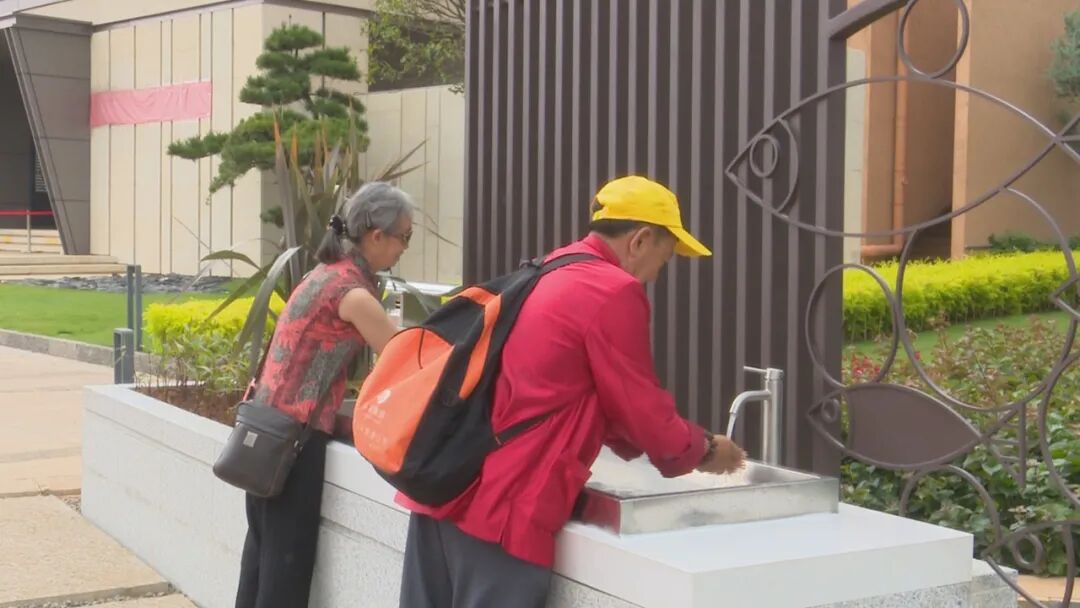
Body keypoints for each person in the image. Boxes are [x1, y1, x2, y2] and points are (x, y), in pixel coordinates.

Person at [397, 175, 747, 608]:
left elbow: (582, 397)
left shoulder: (550, 268)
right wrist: (706, 451)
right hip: (504, 509)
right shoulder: (612, 290)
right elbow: (641, 411)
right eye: (665, 257)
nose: (658, 273)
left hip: (448, 485)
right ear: (640, 240)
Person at [235, 182, 413, 608]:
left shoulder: (322, 274)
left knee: (259, 559)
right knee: (286, 571)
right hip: (295, 443)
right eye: (404, 237)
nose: (404, 248)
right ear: (376, 236)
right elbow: (405, 359)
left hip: (265, 431)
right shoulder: (353, 293)